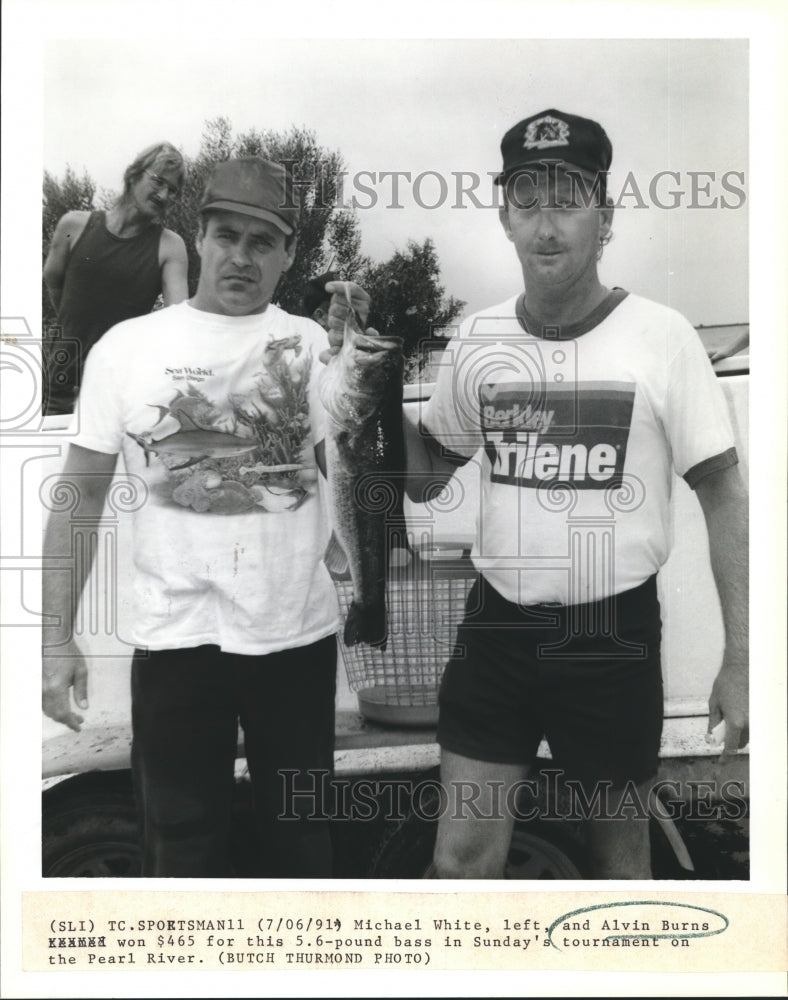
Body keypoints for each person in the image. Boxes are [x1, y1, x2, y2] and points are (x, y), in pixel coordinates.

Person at [403, 109, 749, 878]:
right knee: (459, 863)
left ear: (606, 214)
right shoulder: (478, 337)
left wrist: (744, 659)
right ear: (504, 215)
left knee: (622, 866)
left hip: (612, 633)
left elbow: (724, 496)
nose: (547, 224)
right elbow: (426, 474)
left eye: (567, 198)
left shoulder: (662, 336)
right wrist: (352, 391)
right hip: (496, 627)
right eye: (527, 200)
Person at [42, 157, 369, 877]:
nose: (242, 257)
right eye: (227, 235)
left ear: (288, 254)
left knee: (304, 850)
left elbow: (360, 448)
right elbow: (79, 496)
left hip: (296, 639)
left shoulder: (316, 346)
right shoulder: (127, 349)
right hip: (175, 646)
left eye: (263, 242)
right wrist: (54, 639)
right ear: (199, 237)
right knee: (181, 851)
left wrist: (355, 351)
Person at [42, 141, 189, 415]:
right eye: (158, 181)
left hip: (117, 395)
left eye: (173, 190)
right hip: (58, 389)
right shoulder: (73, 225)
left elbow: (178, 322)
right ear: (134, 175)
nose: (165, 194)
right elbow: (53, 282)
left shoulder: (170, 246)